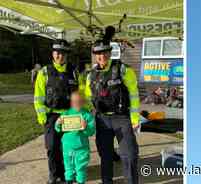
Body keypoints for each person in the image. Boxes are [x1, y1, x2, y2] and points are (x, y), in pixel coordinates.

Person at [85, 26, 140, 184]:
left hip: (122, 118)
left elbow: (134, 94)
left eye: (104, 52)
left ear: (109, 52)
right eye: (98, 53)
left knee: (129, 155)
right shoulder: (91, 75)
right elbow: (88, 98)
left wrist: (135, 118)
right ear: (95, 56)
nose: (101, 56)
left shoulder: (123, 69)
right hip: (102, 120)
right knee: (106, 156)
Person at [34, 39, 79, 184]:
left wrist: (83, 111)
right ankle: (54, 175)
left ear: (67, 55)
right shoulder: (44, 72)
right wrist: (42, 116)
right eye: (58, 53)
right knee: (52, 147)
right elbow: (38, 96)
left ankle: (68, 174)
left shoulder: (74, 72)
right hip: (51, 115)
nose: (60, 56)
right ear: (53, 54)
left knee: (69, 147)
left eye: (64, 53)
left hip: (70, 114)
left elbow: (81, 94)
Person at [55, 91, 95, 184]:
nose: (76, 103)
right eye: (74, 101)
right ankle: (69, 181)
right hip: (67, 147)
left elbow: (91, 131)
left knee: (80, 168)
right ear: (71, 102)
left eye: (79, 101)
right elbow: (58, 129)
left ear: (83, 102)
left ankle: (81, 181)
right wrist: (57, 124)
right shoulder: (66, 113)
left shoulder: (87, 115)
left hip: (81, 148)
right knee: (68, 167)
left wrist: (86, 127)